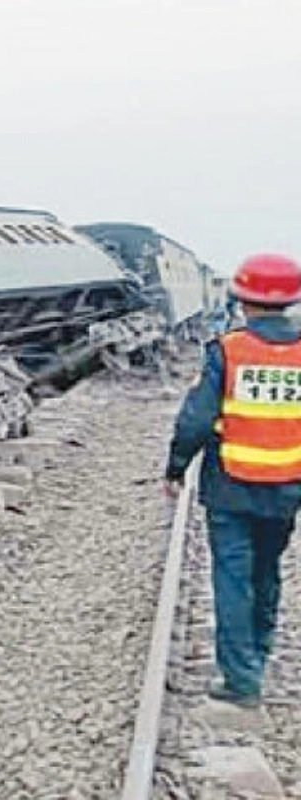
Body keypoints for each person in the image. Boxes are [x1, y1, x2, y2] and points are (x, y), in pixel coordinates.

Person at [165, 253, 301, 708]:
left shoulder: (229, 349)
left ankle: (242, 681)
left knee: (232, 578)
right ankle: (258, 657)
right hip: (286, 486)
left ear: (243, 299)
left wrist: (175, 468)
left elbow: (196, 419)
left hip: (231, 486)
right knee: (266, 573)